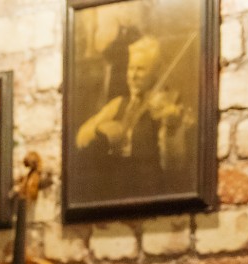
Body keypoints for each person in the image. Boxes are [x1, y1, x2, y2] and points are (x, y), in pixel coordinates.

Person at [74, 33, 192, 199]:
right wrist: (101, 130)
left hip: (149, 194)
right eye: (131, 68)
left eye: (141, 69)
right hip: (114, 193)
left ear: (155, 72)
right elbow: (81, 138)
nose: (133, 75)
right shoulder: (118, 104)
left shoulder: (166, 103)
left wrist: (171, 129)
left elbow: (173, 164)